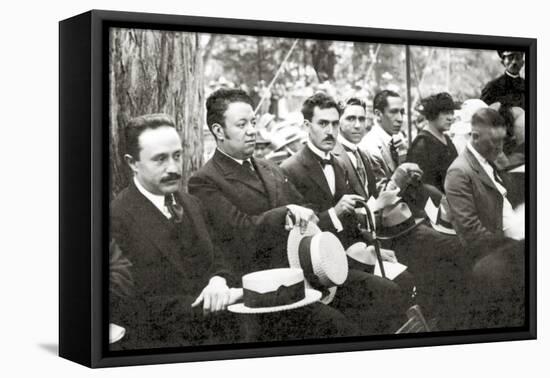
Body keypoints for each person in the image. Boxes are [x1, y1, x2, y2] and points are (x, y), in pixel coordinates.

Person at [188, 88, 359, 339]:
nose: (251, 130)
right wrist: (286, 212)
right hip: (263, 295)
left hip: (305, 276)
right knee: (342, 329)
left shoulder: (269, 167)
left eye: (253, 122)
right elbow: (240, 231)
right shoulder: (205, 181)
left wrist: (301, 214)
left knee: (380, 293)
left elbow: (308, 210)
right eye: (242, 124)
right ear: (218, 131)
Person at [280, 92, 413, 334]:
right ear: (307, 126)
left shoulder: (339, 164)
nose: (330, 131)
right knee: (388, 291)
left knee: (405, 277)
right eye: (322, 124)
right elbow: (300, 235)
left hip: (350, 255)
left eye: (333, 123)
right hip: (321, 269)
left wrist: (372, 248)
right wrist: (334, 212)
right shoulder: (291, 169)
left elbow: (352, 223)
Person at [110, 113, 242, 349]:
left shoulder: (192, 203)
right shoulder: (116, 218)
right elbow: (138, 305)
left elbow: (219, 256)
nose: (173, 168)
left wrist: (219, 281)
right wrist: (210, 304)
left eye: (177, 156)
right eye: (160, 159)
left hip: (223, 331)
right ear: (132, 163)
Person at [445, 107, 525, 328]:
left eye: (502, 141)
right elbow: (471, 233)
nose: (499, 148)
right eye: (494, 142)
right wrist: (515, 243)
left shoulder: (490, 160)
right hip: (491, 254)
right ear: (475, 136)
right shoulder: (459, 172)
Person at [407, 92, 460, 193]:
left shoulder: (446, 139)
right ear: (433, 113)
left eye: (451, 112)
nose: (450, 117)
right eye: (445, 113)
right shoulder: (422, 145)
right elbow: (422, 185)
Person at [359, 90, 409, 190]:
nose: (400, 119)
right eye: (393, 112)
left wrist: (405, 153)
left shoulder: (395, 142)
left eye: (402, 112)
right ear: (378, 114)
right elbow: (382, 194)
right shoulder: (370, 147)